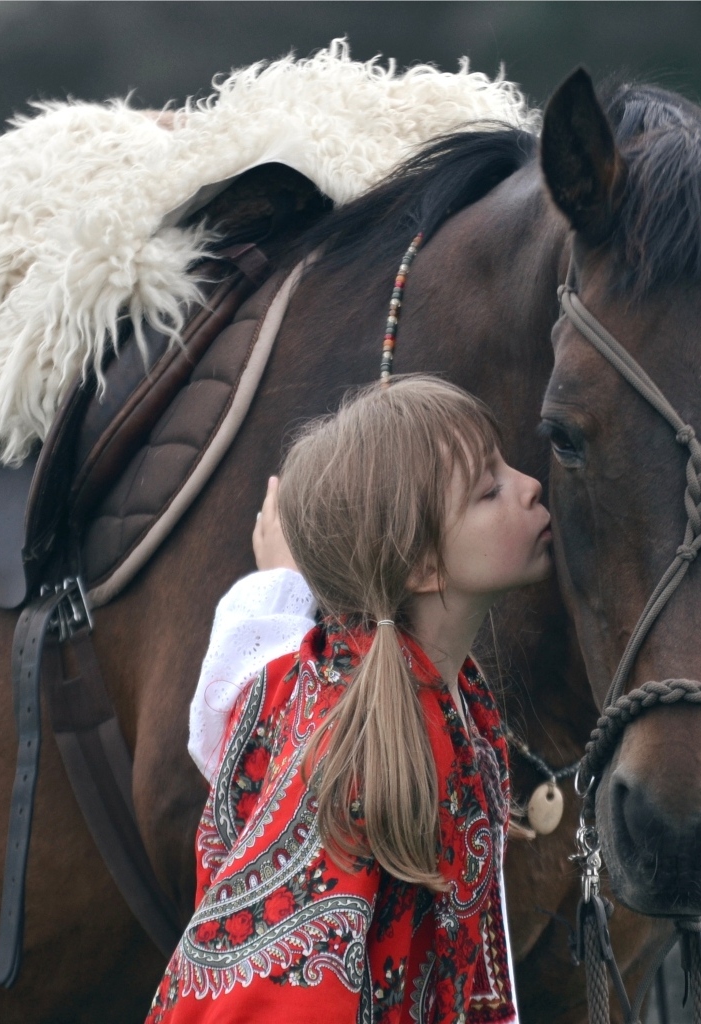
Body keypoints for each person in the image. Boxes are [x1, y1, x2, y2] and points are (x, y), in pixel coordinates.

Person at [146, 375, 552, 1024]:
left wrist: (280, 581)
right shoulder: (354, 752)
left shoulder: (420, 694)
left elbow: (256, 700)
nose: (530, 485)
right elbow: (278, 997)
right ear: (422, 566)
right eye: (489, 490)